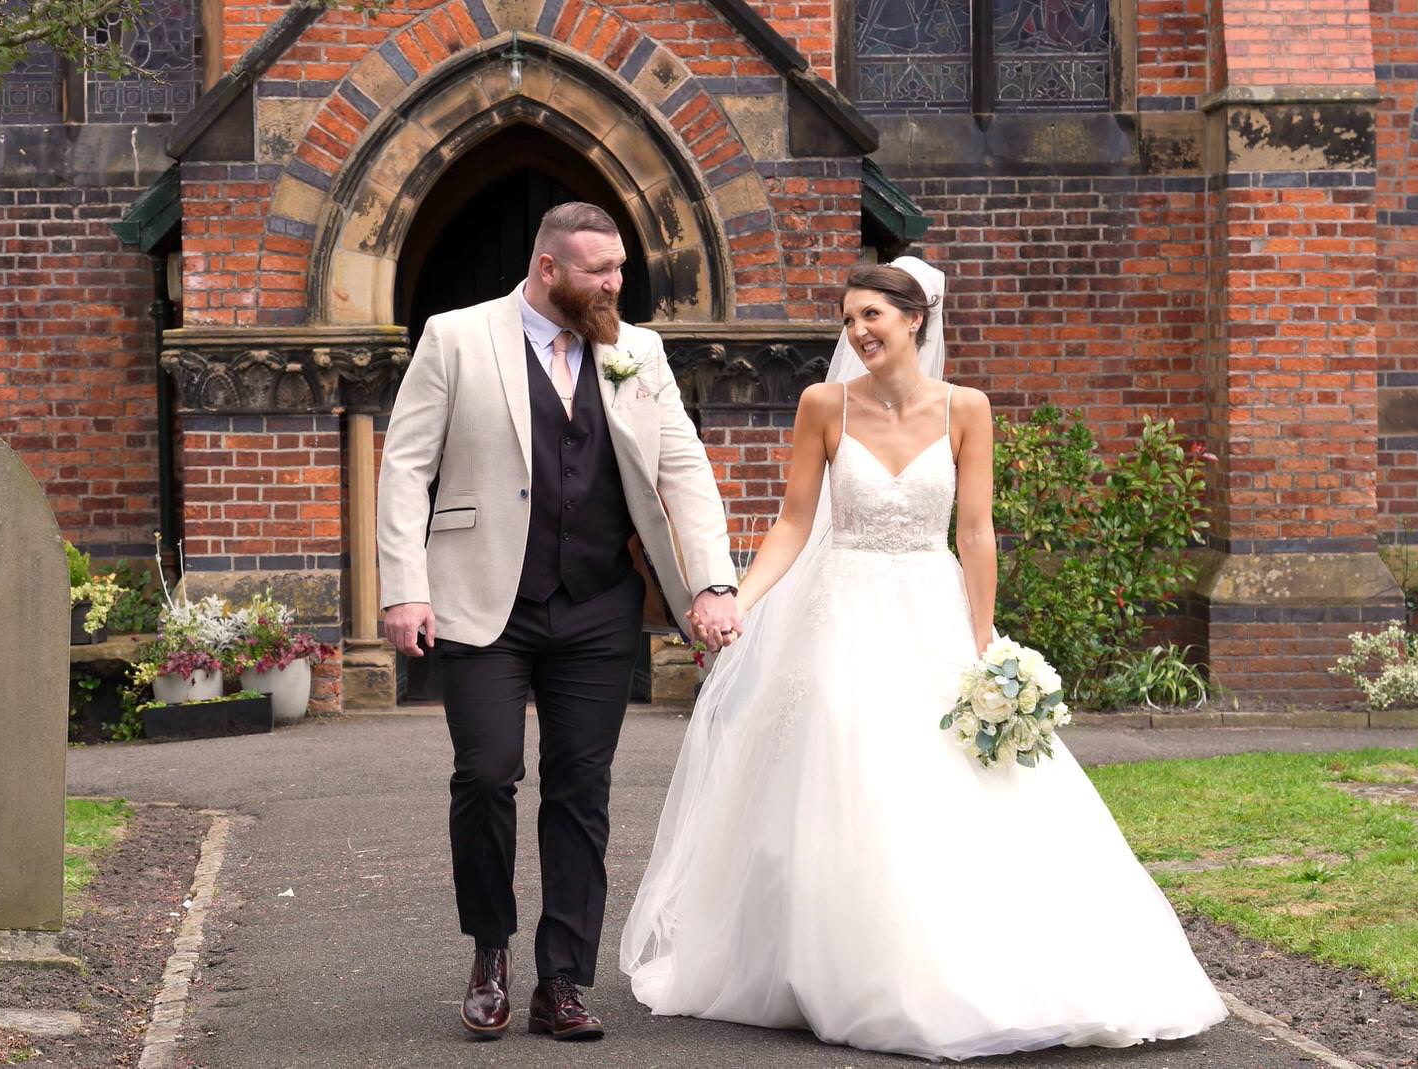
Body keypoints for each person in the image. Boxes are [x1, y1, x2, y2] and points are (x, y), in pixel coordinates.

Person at [620, 257, 1228, 1060]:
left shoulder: (966, 409)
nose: (858, 332)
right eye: (847, 320)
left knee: (957, 779)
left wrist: (986, 643)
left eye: (872, 315)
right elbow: (795, 524)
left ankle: (973, 957)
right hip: (841, 612)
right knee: (848, 767)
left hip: (930, 607)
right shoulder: (822, 405)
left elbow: (974, 532)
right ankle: (847, 960)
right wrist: (743, 599)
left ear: (914, 319)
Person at [376, 201, 739, 1041]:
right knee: (487, 774)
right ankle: (490, 953)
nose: (616, 284)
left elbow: (683, 468)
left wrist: (712, 582)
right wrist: (404, 586)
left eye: (619, 268)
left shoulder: (637, 350)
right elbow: (403, 468)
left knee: (582, 789)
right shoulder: (457, 336)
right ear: (548, 270)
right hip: (481, 597)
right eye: (599, 272)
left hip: (599, 605)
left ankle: (564, 980)